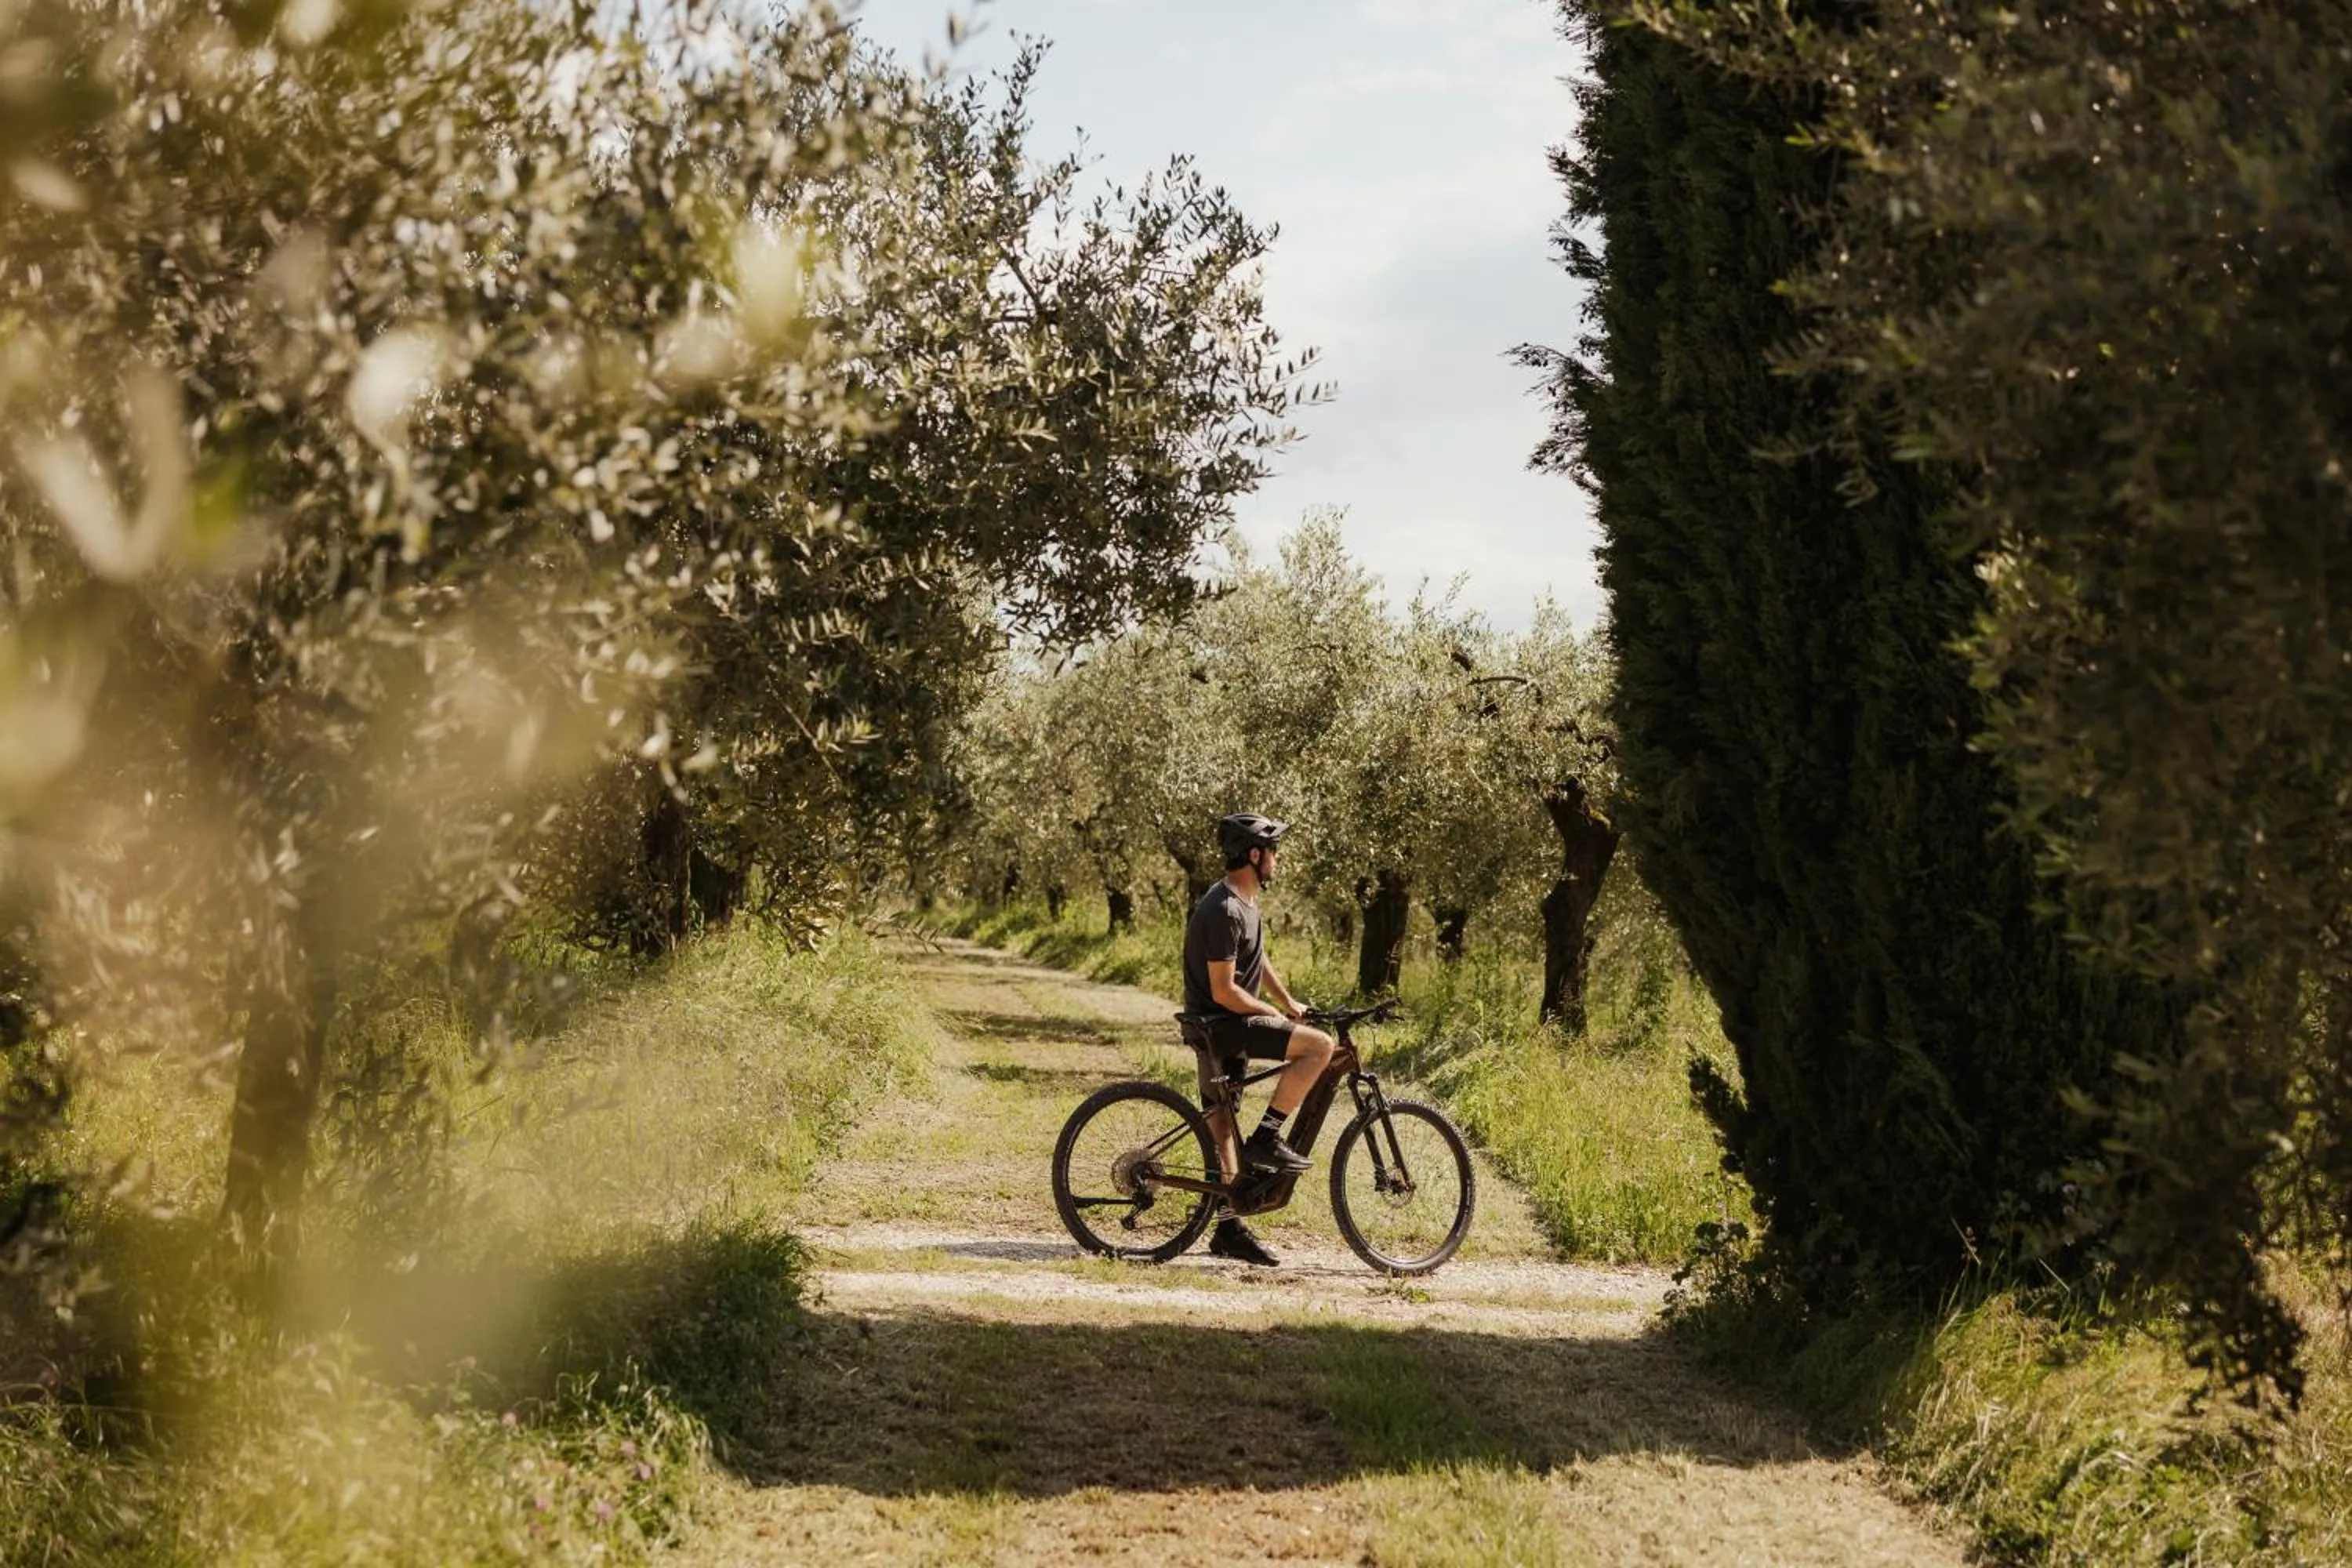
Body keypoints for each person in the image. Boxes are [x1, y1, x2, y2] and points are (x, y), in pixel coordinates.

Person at [1179, 811, 1336, 1267]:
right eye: (1273, 852)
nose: (1277, 860)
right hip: (1224, 1027)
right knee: (1319, 1047)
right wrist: (1268, 1011)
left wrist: (1287, 1002)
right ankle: (1267, 1137)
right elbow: (1226, 989)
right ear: (1254, 854)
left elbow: (1258, 963)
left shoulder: (1244, 904)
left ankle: (1228, 1229)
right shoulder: (1223, 908)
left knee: (1222, 1123)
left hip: (1222, 1026)